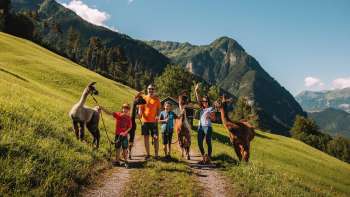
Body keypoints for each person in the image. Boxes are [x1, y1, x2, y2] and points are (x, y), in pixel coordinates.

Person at [99, 103, 132, 168]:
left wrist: (125, 132)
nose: (125, 110)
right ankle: (117, 161)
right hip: (117, 135)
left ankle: (126, 161)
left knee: (125, 149)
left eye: (127, 109)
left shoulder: (128, 118)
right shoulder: (118, 115)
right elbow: (109, 113)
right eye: (124, 108)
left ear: (129, 110)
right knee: (117, 148)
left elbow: (130, 127)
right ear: (122, 109)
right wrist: (102, 108)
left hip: (124, 136)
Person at [138, 84, 161, 159]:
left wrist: (158, 115)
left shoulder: (157, 99)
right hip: (145, 121)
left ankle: (156, 155)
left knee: (156, 138)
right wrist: (139, 114)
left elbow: (158, 109)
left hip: (154, 122)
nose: (150, 90)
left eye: (152, 89)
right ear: (147, 90)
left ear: (154, 90)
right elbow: (140, 108)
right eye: (149, 89)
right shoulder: (144, 98)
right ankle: (148, 154)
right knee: (146, 138)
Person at [195, 83, 216, 164]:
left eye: (206, 101)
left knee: (208, 141)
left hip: (208, 127)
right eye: (203, 101)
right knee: (199, 142)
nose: (204, 102)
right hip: (200, 127)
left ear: (208, 102)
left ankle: (209, 158)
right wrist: (196, 90)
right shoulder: (201, 108)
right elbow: (198, 98)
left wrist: (209, 115)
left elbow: (214, 119)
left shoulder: (211, 108)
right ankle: (204, 157)